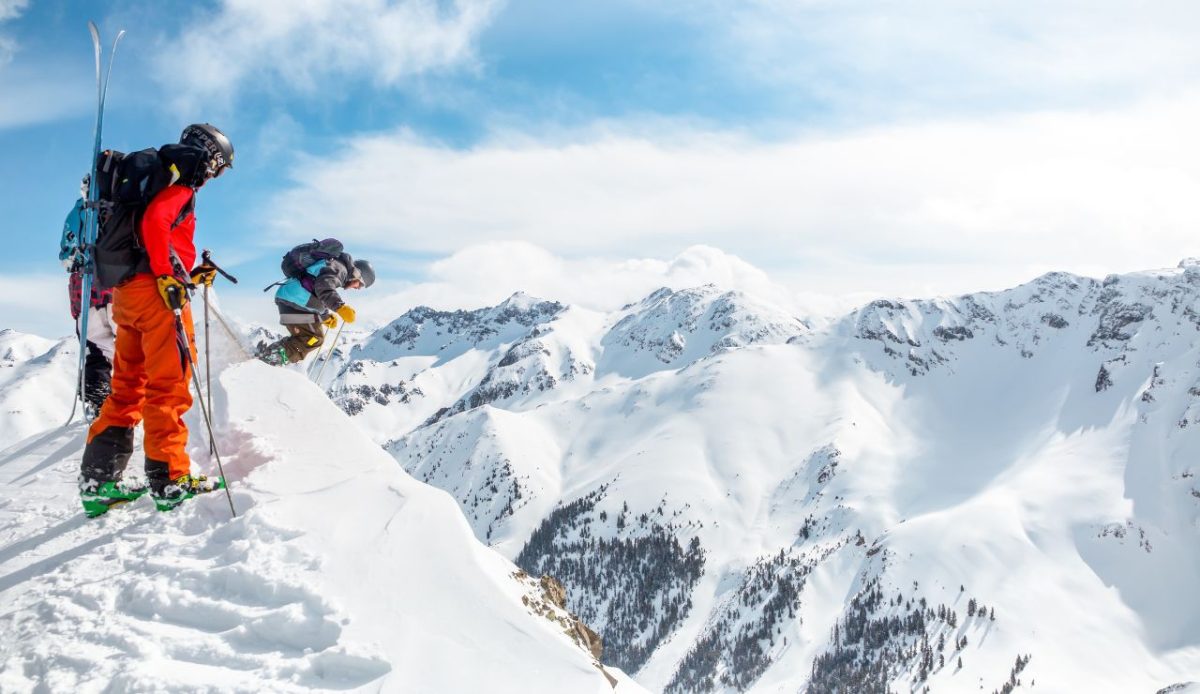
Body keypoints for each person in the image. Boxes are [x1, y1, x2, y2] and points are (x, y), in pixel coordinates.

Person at [79, 123, 234, 517]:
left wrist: (186, 275)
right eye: (219, 168)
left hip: (128, 293)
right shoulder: (181, 184)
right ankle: (170, 480)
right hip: (159, 297)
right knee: (169, 386)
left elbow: (150, 237)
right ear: (211, 158)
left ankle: (99, 481)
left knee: (127, 386)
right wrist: (167, 275)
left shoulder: (151, 181)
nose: (214, 177)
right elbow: (155, 224)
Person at [60, 177, 117, 416]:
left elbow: (66, 253)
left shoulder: (79, 211)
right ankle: (130, 400)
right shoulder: (124, 208)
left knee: (96, 348)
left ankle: (99, 400)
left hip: (85, 290)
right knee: (130, 346)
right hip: (118, 286)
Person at [257, 251, 375, 366]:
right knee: (314, 338)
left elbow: (317, 292)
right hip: (295, 301)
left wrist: (325, 316)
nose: (358, 288)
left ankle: (270, 353)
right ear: (358, 274)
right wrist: (340, 307)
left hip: (291, 299)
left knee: (307, 337)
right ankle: (271, 357)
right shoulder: (340, 269)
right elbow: (323, 288)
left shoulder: (335, 266)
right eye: (360, 284)